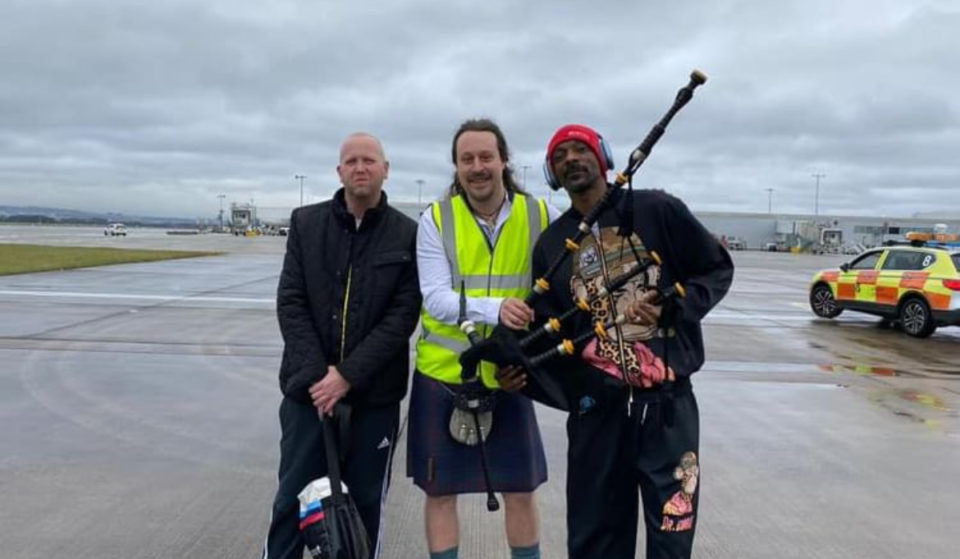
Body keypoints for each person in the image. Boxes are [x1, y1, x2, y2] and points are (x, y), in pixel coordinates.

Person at [528, 124, 734, 559]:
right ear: (552, 172)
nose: (570, 159)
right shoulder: (552, 246)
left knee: (671, 536)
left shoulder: (658, 210)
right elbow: (548, 329)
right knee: (594, 540)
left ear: (602, 156)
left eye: (580, 149)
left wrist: (676, 307)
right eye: (560, 154)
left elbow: (715, 269)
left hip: (667, 411)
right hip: (596, 417)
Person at [261, 132, 421, 559]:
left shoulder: (407, 234)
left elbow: (403, 316)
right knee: (291, 500)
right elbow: (290, 302)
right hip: (307, 395)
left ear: (385, 170)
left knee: (366, 504)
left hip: (374, 398)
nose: (360, 167)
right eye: (351, 161)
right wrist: (320, 378)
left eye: (369, 160)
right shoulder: (305, 224)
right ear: (339, 171)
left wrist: (347, 376)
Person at [408, 118, 559, 559]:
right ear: (456, 167)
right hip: (443, 375)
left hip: (512, 375)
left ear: (504, 160)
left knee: (522, 489)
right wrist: (496, 309)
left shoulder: (539, 214)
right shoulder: (436, 219)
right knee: (439, 494)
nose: (477, 167)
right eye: (467, 158)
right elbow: (434, 297)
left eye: (486, 157)